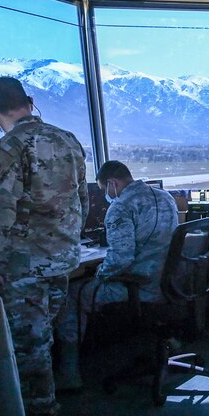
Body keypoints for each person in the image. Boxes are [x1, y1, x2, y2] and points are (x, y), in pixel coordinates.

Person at [0, 77, 88, 416]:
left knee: (29, 356)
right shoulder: (69, 140)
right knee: (43, 343)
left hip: (24, 272)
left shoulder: (9, 147)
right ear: (31, 101)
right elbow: (82, 202)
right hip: (62, 263)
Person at [54, 160, 178, 391]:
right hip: (169, 285)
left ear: (113, 183)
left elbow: (120, 260)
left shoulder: (121, 208)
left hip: (139, 288)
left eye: (104, 190)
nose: (106, 195)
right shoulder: (166, 197)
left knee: (72, 294)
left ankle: (69, 372)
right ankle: (168, 340)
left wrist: (99, 275)